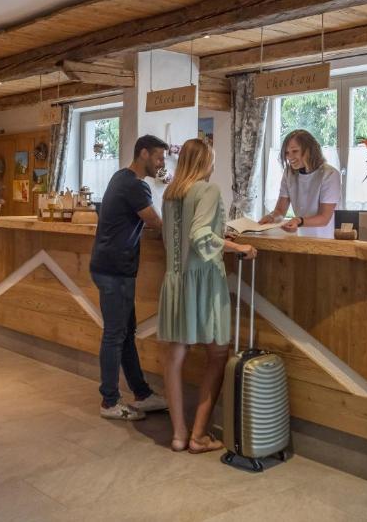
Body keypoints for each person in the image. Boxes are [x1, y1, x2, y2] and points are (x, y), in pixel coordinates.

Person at [158, 138, 256, 453]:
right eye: (212, 159)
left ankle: (178, 435)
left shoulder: (170, 194)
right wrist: (238, 246)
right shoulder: (207, 190)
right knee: (217, 354)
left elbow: (186, 233)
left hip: (175, 280)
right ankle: (199, 435)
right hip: (203, 282)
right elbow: (200, 236)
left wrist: (217, 232)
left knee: (174, 357)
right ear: (205, 162)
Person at [90, 134, 170, 420]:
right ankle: (109, 402)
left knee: (123, 334)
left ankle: (142, 393)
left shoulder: (120, 177)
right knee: (115, 335)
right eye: (159, 157)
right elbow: (156, 223)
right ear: (144, 153)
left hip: (110, 266)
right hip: (114, 269)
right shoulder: (136, 186)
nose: (162, 164)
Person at [259, 129, 342, 238]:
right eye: (287, 153)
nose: (289, 157)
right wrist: (271, 218)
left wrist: (298, 221)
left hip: (327, 239)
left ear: (309, 150)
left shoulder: (330, 174)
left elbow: (324, 218)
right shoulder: (289, 173)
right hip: (303, 238)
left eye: (294, 151)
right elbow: (280, 211)